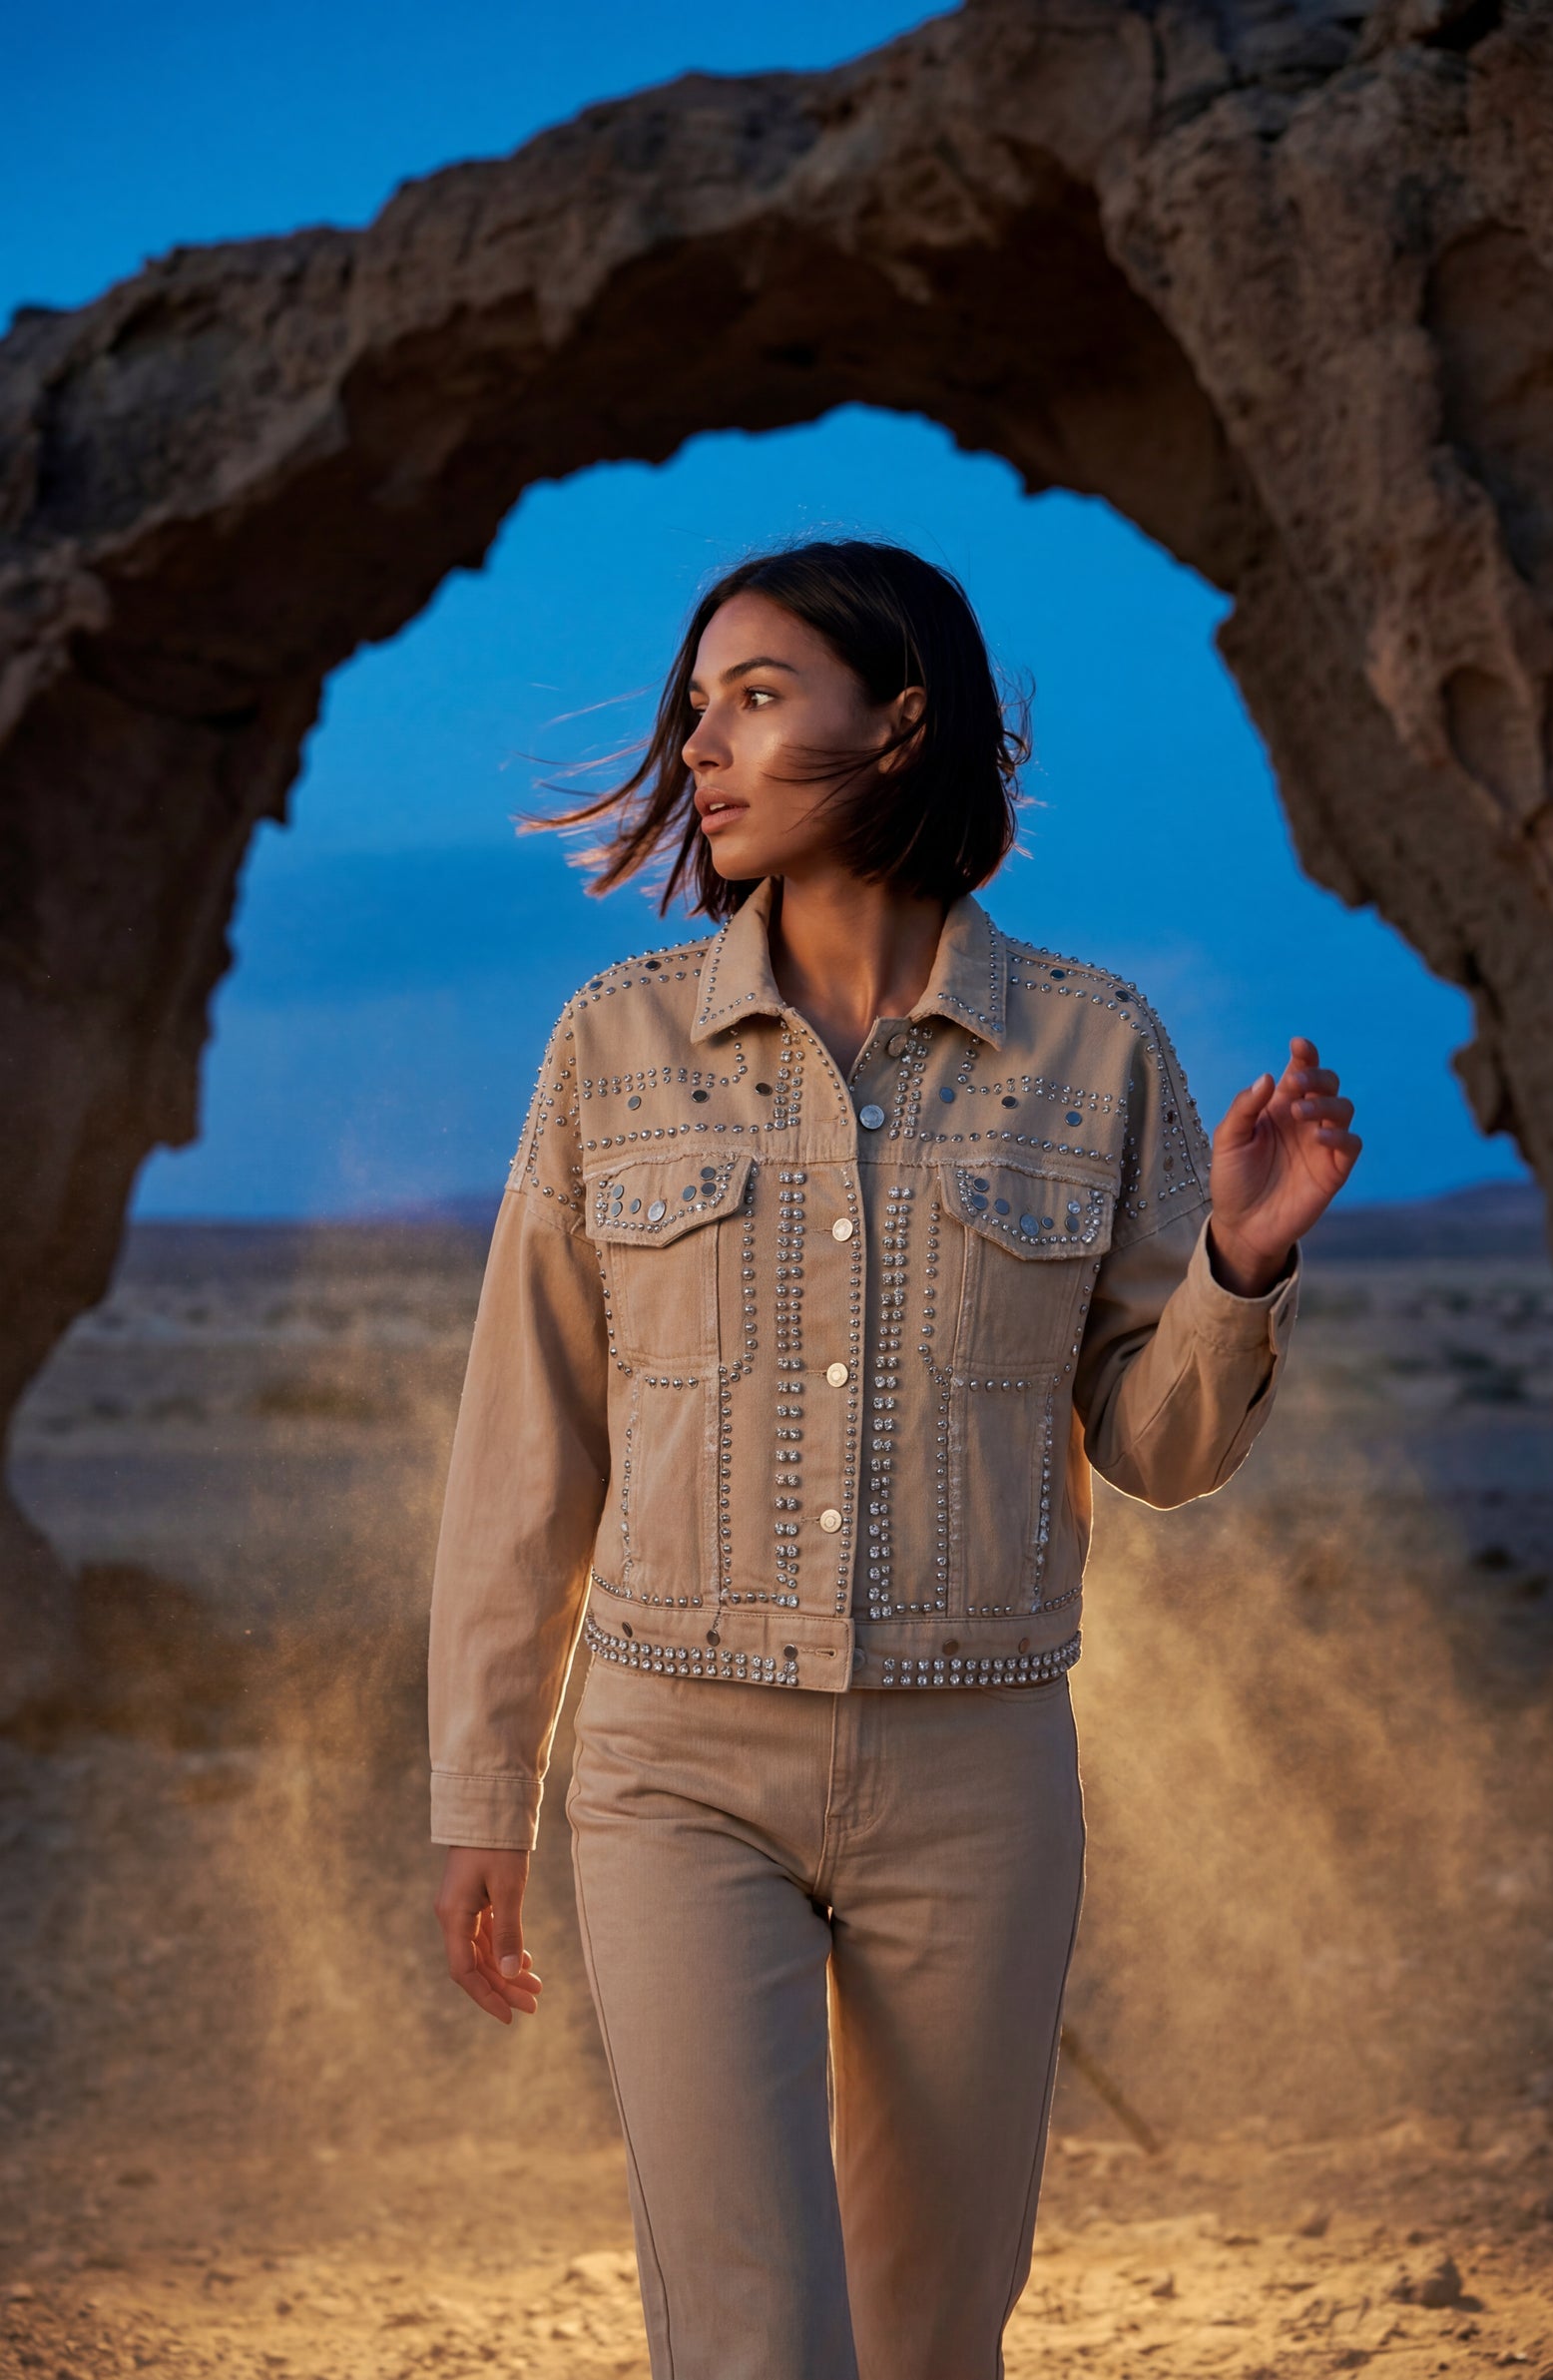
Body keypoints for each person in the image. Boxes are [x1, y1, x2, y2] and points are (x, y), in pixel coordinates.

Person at [428, 539, 1360, 2379]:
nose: (705, 746)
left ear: (903, 718)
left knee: (933, 2325)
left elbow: (1158, 1450)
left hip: (979, 1761)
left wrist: (1242, 1264)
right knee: (760, 2332)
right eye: (696, 709)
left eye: (759, 698)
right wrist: (483, 1791)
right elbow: (522, 1454)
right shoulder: (611, 1049)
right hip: (673, 1756)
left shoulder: (1095, 1048)